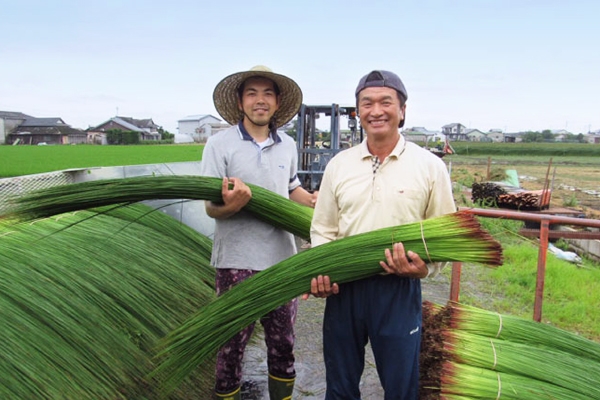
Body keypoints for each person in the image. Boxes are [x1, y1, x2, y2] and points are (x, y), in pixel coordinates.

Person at [305, 70, 456, 399]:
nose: (376, 111)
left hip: (398, 288)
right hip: (344, 289)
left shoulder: (429, 166)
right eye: (366, 103)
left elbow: (445, 233)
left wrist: (425, 269)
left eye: (386, 102)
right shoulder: (339, 165)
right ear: (358, 113)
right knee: (340, 386)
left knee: (401, 385)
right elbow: (323, 227)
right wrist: (323, 269)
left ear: (402, 110)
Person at [200, 65, 317, 400]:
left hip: (282, 261)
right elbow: (211, 208)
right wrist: (234, 205)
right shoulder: (219, 145)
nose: (260, 100)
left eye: (267, 93)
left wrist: (310, 201)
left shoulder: (288, 145)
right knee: (231, 345)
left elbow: (291, 186)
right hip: (236, 261)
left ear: (278, 102)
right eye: (252, 93)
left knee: (283, 344)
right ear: (240, 102)